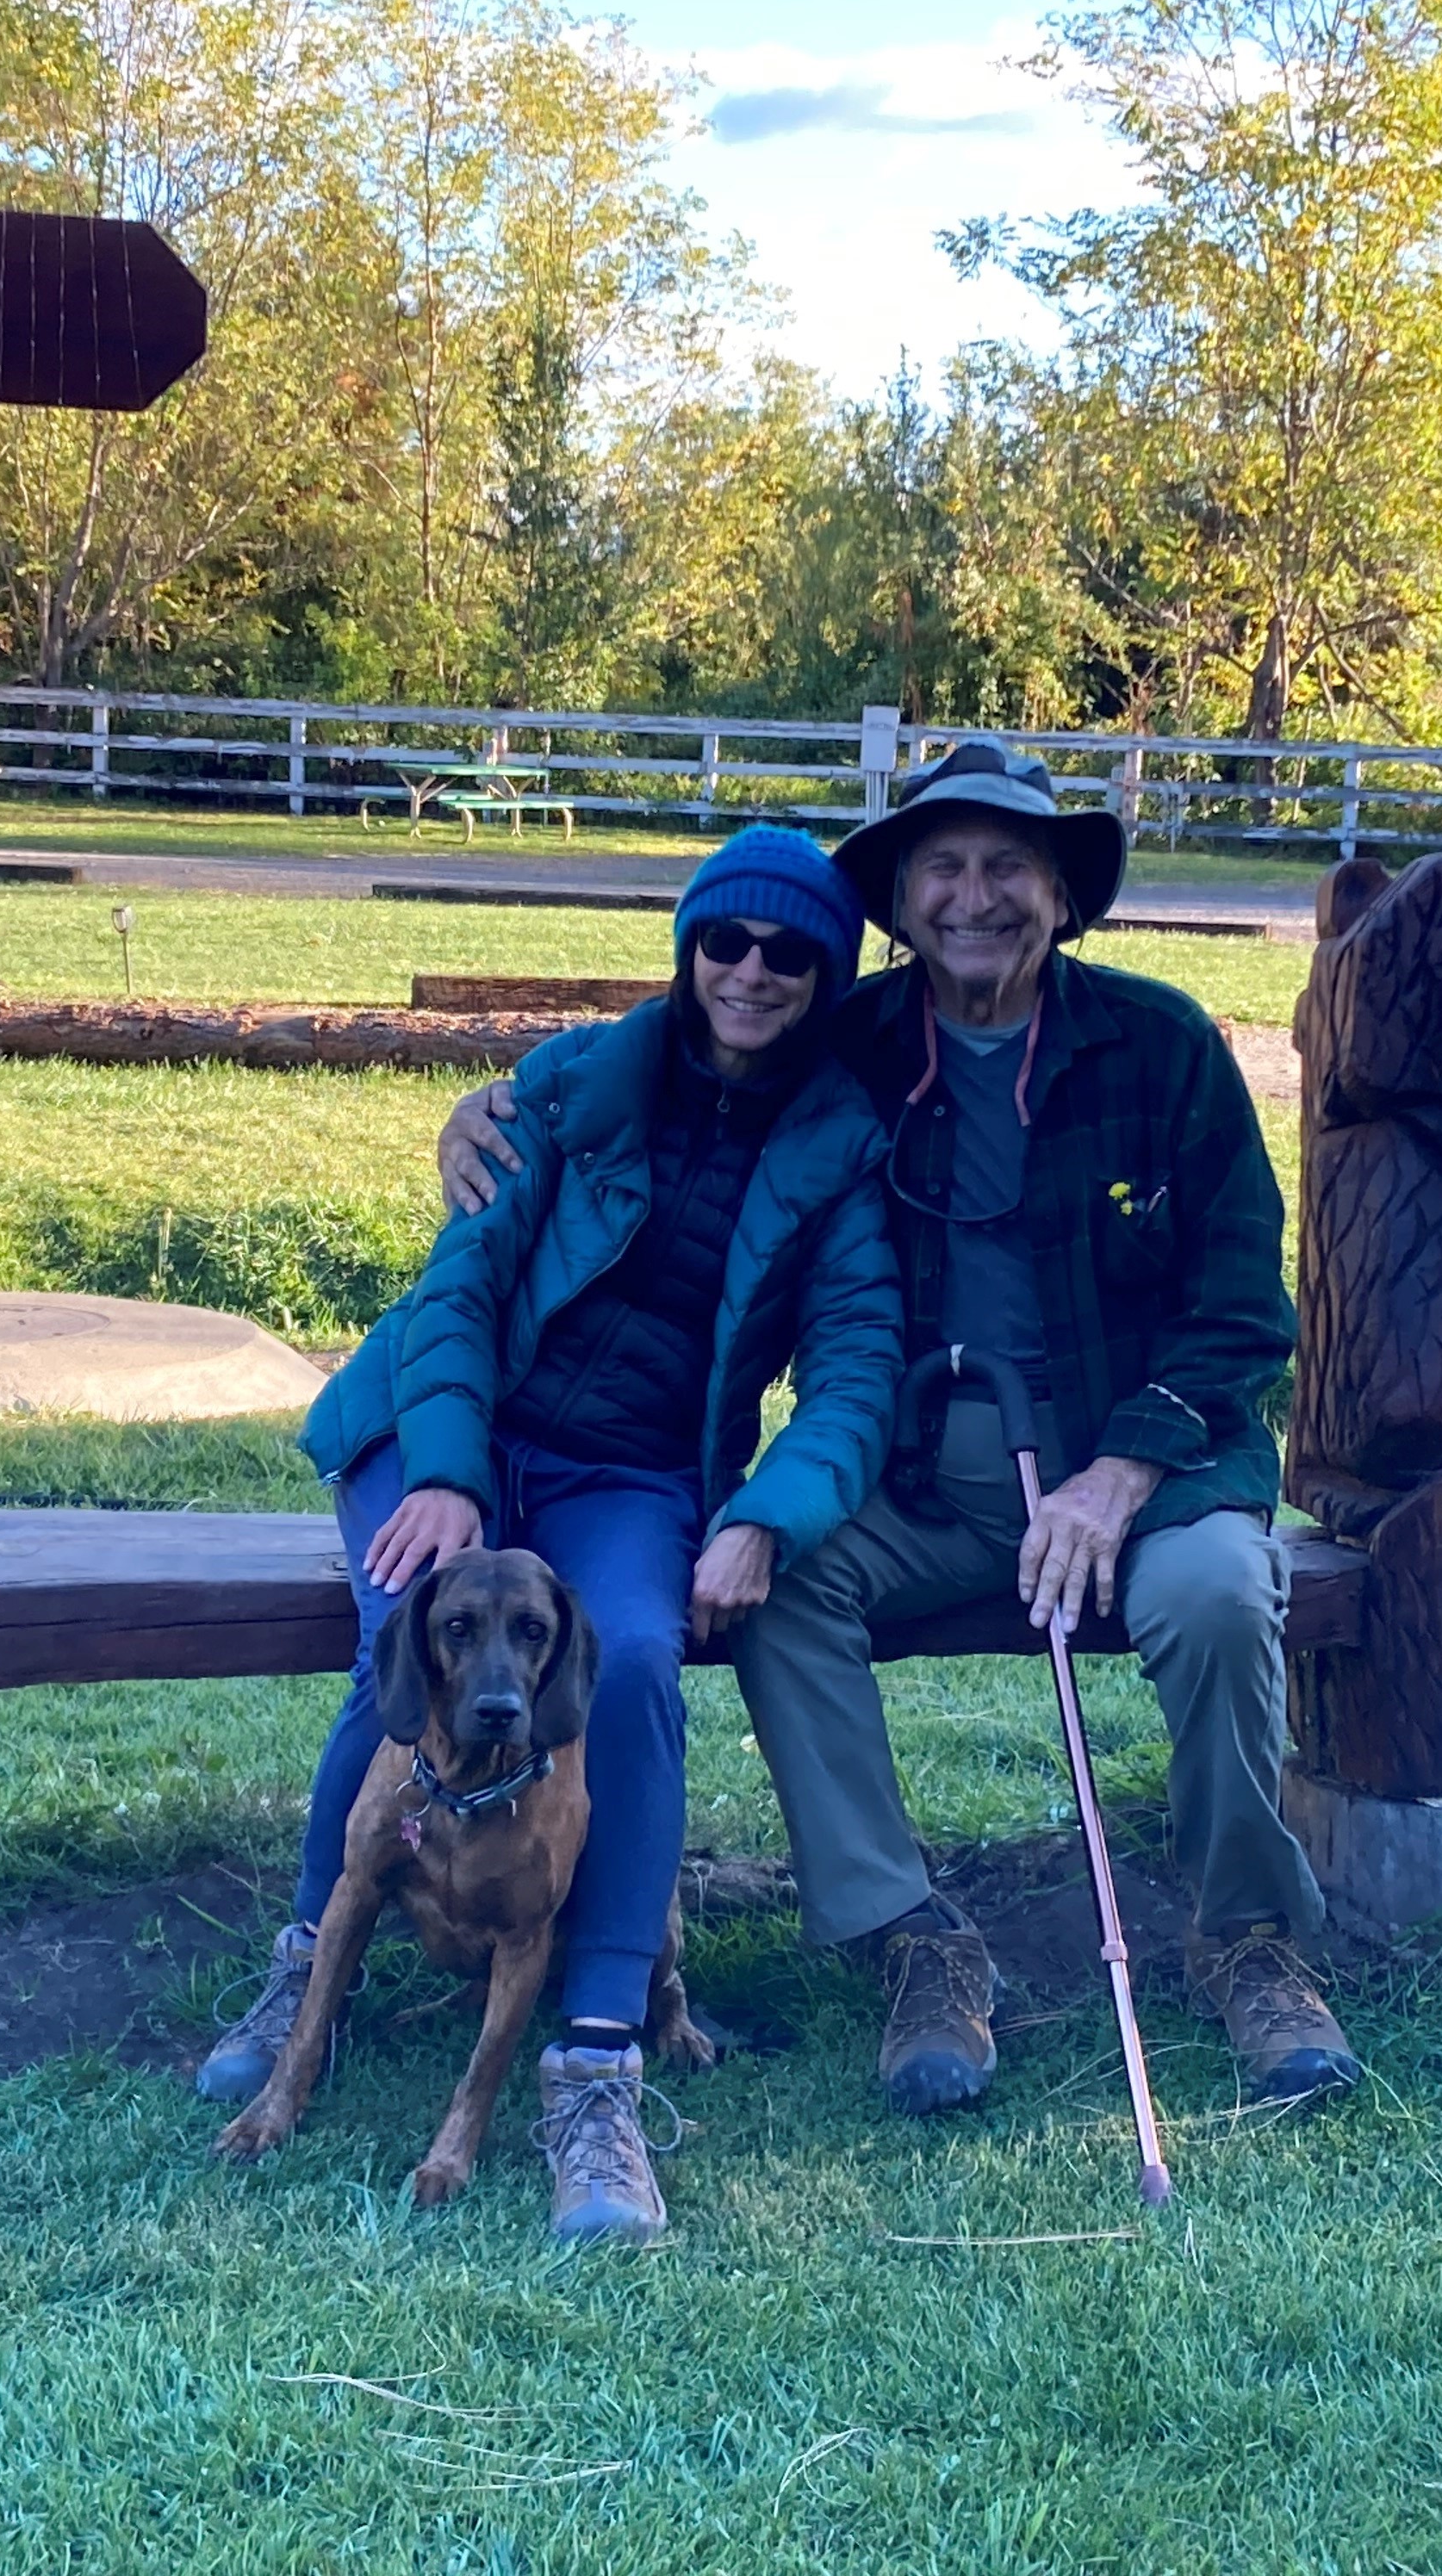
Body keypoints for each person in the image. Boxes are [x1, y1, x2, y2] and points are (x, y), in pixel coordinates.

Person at [440, 740, 1359, 2115]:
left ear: (1062, 895)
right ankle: (913, 1938)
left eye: (1009, 867)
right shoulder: (851, 1045)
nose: (974, 897)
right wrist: (498, 1104)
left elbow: (1242, 1305)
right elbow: (685, 1043)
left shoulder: (1164, 1048)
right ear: (903, 901)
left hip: (1145, 1475)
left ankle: (1248, 1938)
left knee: (1224, 1596)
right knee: (777, 1590)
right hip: (925, 1473)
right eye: (944, 868)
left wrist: (1117, 1478)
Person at [196, 824, 899, 2246]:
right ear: (689, 951)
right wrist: (448, 1475)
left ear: (827, 978)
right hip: (444, 1420)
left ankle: (593, 2061)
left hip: (630, 1472)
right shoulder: (576, 1082)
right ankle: (305, 1967)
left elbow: (857, 1369)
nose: (752, 972)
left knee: (630, 1662)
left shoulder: (839, 1147)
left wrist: (766, 1515)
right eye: (726, 941)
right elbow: (461, 1288)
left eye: (790, 954)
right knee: (414, 1643)